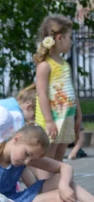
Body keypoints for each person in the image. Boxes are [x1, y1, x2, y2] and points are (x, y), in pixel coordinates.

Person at [34, 14, 82, 180]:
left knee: (59, 156)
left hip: (66, 117)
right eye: (70, 37)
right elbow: (42, 94)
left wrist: (78, 114)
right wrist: (48, 121)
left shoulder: (64, 64)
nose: (71, 41)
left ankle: (54, 187)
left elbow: (71, 91)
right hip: (52, 119)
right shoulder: (45, 66)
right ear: (59, 38)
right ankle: (43, 187)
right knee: (48, 157)